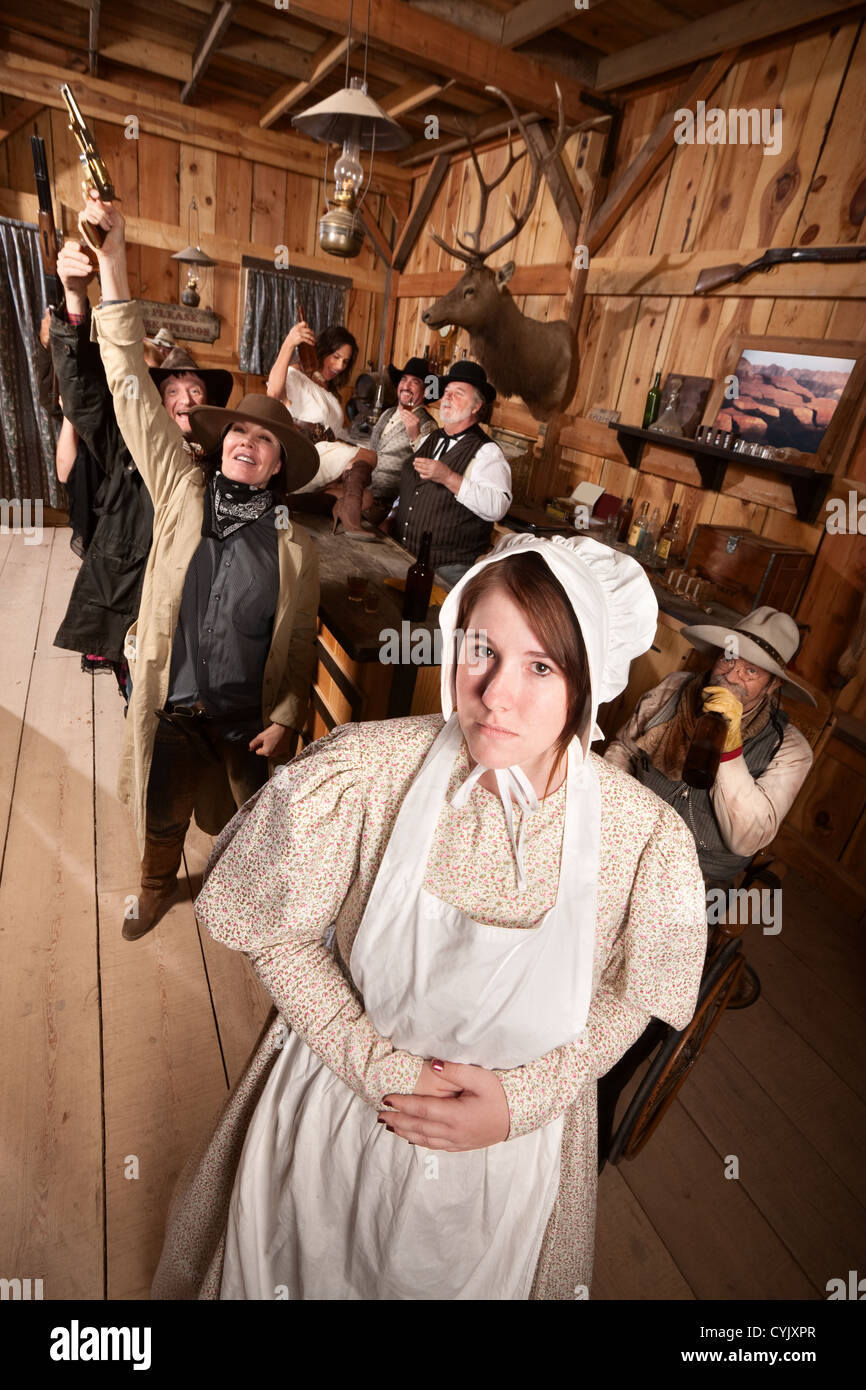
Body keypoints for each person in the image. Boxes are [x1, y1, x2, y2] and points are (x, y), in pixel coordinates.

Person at [151, 532, 707, 1301]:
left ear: (590, 683)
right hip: (340, 1107)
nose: (494, 693)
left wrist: (524, 1101)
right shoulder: (369, 768)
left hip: (502, 1154)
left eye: (541, 666)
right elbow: (279, 935)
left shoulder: (643, 836)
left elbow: (632, 997)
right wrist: (382, 1069)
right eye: (481, 649)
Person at [81, 194, 321, 942]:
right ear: (220, 443)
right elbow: (128, 390)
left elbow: (299, 641)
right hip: (173, 708)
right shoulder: (182, 491)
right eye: (238, 432)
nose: (246, 442)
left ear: (279, 464)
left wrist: (286, 718)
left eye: (264, 439)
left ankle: (241, 903)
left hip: (244, 723)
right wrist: (113, 261)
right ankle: (155, 887)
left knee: (246, 825)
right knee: (161, 815)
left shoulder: (295, 545)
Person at [50, 241, 233, 695]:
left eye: (195, 391)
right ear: (157, 400)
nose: (186, 399)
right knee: (139, 700)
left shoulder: (219, 462)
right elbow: (83, 395)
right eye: (173, 390)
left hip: (187, 617)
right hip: (129, 601)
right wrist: (75, 301)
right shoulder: (127, 445)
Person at [604, 606, 815, 884]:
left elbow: (746, 841)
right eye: (728, 659)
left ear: (772, 685)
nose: (730, 677)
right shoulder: (674, 688)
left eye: (750, 671)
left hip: (694, 877)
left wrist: (729, 749)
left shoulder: (789, 749)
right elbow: (624, 751)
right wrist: (611, 818)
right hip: (627, 840)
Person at [390, 360, 512, 586]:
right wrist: (391, 516)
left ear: (476, 406)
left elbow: (498, 507)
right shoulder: (432, 438)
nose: (447, 397)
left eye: (458, 393)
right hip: (404, 554)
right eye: (446, 392)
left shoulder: (487, 452)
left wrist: (448, 477)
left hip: (446, 568)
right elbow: (412, 488)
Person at [330, 356, 437, 536]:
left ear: (425, 392)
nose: (406, 385)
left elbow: (427, 472)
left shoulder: (427, 424)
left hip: (385, 501)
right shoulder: (388, 413)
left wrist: (415, 436)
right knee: (325, 495)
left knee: (335, 507)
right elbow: (373, 450)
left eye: (415, 382)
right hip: (364, 488)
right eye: (404, 379)